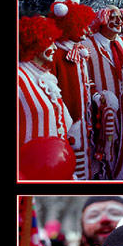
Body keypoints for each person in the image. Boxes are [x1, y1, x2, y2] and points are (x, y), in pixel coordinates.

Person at [83, 5, 123, 180]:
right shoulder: (88, 44)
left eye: (120, 18)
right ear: (101, 20)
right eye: (112, 17)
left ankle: (121, 177)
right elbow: (84, 77)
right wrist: (96, 96)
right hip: (101, 110)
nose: (118, 21)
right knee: (104, 145)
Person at [49, 0, 96, 180]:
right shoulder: (56, 54)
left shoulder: (78, 51)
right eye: (81, 26)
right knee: (72, 161)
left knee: (85, 154)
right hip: (69, 121)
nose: (86, 31)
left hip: (84, 117)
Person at [18, 16, 73, 150]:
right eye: (50, 41)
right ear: (34, 42)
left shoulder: (47, 76)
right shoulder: (20, 76)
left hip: (54, 159)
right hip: (29, 163)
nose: (55, 47)